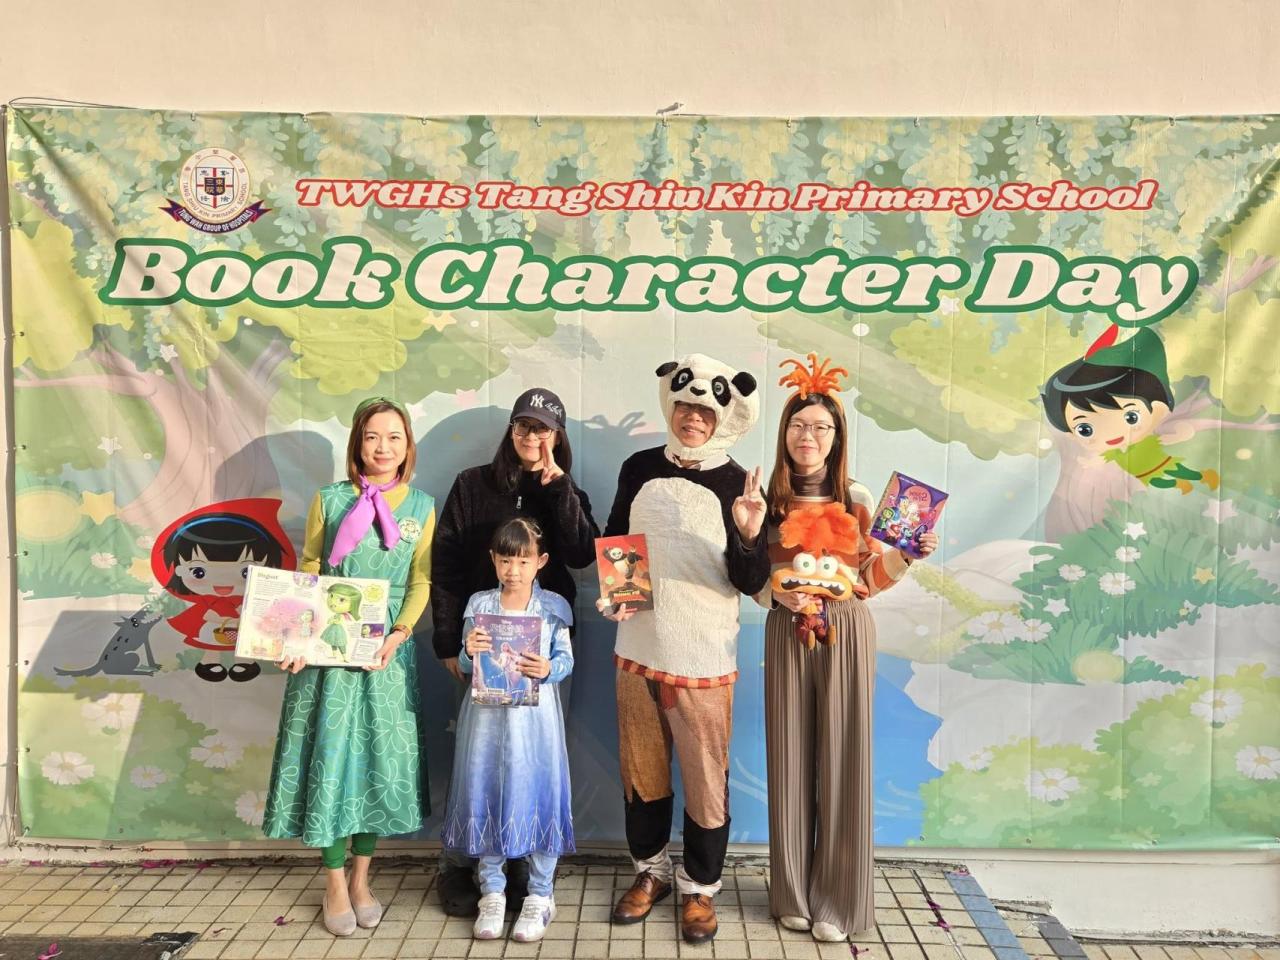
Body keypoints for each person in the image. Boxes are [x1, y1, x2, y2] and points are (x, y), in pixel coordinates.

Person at [760, 355, 937, 942]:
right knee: (788, 756)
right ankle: (790, 890)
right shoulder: (764, 498)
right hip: (787, 628)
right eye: (798, 425)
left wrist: (907, 554)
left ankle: (839, 899)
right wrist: (774, 593)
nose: (808, 437)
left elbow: (872, 576)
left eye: (821, 427)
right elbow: (748, 571)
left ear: (836, 437)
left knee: (842, 758)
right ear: (784, 432)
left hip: (845, 628)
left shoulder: (857, 495)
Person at [600, 353, 770, 944]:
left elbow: (751, 581)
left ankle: (701, 886)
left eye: (705, 410)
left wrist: (749, 533)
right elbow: (618, 536)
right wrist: (618, 591)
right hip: (639, 644)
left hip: (703, 654)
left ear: (723, 416)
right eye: (685, 406)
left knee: (705, 779)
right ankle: (650, 871)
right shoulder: (639, 466)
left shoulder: (739, 483)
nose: (693, 417)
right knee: (641, 770)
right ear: (669, 404)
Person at [262, 397, 435, 937]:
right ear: (357, 443)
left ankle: (363, 879)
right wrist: (296, 637)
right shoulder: (330, 499)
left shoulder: (423, 506)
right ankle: (334, 882)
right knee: (333, 762)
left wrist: (399, 635)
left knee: (376, 763)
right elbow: (309, 569)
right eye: (372, 436)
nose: (383, 447)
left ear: (407, 446)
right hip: (328, 653)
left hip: (386, 655)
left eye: (394, 437)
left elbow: (420, 580)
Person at [431, 387, 599, 915]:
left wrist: (559, 487)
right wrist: (448, 640)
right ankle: (466, 864)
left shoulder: (565, 488)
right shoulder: (472, 484)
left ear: (557, 436)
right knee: (478, 758)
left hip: (541, 653)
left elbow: (582, 553)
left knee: (533, 756)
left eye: (543, 428)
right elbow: (445, 562)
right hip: (480, 647)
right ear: (511, 430)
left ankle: (526, 866)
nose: (532, 436)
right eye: (524, 426)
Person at [442, 517, 576, 943]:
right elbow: (468, 665)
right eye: (504, 561)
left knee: (538, 790)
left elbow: (566, 661)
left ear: (541, 561)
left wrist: (549, 667)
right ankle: (492, 892)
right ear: (493, 560)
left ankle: (540, 894)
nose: (513, 570)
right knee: (487, 788)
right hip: (485, 720)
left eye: (522, 561)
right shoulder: (479, 605)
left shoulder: (552, 608)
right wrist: (469, 652)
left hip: (535, 724)